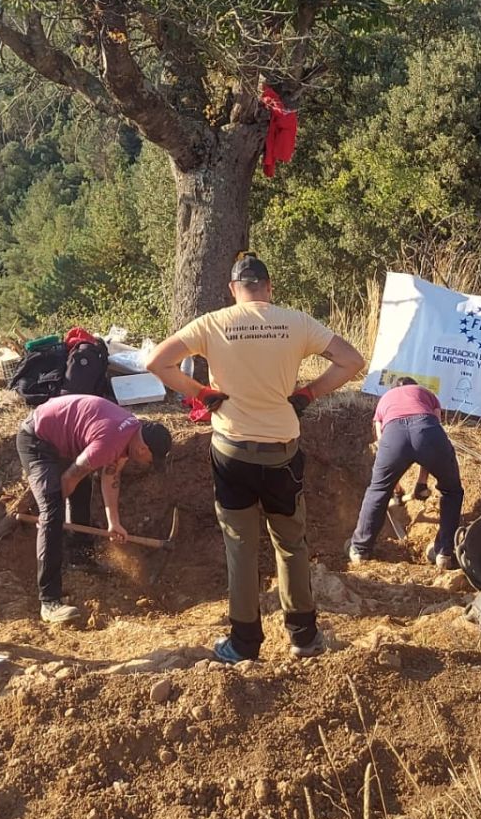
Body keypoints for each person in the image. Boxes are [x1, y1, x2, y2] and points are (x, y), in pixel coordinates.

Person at [147, 252, 366, 664]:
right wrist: (308, 393)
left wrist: (203, 394)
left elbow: (155, 361)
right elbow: (352, 361)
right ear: (268, 288)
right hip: (282, 452)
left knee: (240, 546)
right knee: (291, 544)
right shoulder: (296, 322)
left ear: (233, 290)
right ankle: (303, 636)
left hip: (231, 453)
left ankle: (244, 643)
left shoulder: (213, 323)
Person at [16, 393, 170, 626]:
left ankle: (78, 557)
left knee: (83, 489)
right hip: (37, 440)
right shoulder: (109, 442)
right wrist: (49, 510)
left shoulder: (129, 434)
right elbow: (69, 477)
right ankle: (49, 601)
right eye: (151, 459)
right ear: (143, 449)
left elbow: (111, 476)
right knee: (53, 513)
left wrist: (113, 521)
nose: (149, 464)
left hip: (63, 438)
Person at [346, 376, 465, 570]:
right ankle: (444, 553)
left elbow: (381, 440)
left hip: (393, 438)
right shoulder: (426, 394)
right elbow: (431, 431)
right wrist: (421, 482)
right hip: (427, 431)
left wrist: (394, 484)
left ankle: (359, 550)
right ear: (414, 385)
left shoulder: (385, 399)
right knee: (451, 491)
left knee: (377, 491)